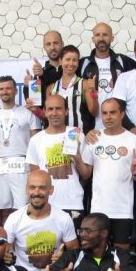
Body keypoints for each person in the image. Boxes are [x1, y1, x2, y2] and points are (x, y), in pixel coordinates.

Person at [78, 99, 136, 250]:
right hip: (98, 208)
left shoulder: (134, 140)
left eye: (112, 112)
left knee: (122, 255)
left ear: (122, 114)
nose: (108, 116)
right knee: (97, 253)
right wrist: (76, 157)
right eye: (104, 113)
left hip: (123, 209)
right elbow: (86, 174)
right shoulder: (94, 138)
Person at [3, 170, 80, 271]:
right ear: (26, 189)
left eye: (42, 188)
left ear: (51, 190)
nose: (37, 192)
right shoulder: (14, 219)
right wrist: (6, 257)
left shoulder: (64, 218)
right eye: (32, 187)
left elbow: (74, 251)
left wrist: (63, 259)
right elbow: (6, 251)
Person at [0, 75, 43, 224]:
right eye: (2, 89)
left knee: (23, 207)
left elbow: (37, 140)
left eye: (8, 88)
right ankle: (4, 240)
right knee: (1, 208)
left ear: (15, 91)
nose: (5, 92)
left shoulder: (27, 112)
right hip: (0, 165)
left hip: (21, 162)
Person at [26, 95, 88, 227]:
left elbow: (86, 175)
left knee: (73, 247)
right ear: (44, 111)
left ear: (66, 111)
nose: (54, 113)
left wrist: (77, 158)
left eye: (59, 109)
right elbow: (35, 178)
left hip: (73, 203)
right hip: (46, 205)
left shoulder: (77, 135)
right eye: (50, 109)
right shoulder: (36, 140)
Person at [78, 22, 136, 130]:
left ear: (112, 38)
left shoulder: (123, 61)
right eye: (97, 35)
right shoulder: (83, 63)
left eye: (105, 35)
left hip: (121, 128)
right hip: (93, 129)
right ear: (93, 39)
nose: (101, 38)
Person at [45, 45, 98, 133]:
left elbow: (94, 112)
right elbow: (47, 115)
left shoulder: (84, 84)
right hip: (58, 136)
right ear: (60, 61)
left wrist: (93, 92)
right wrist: (35, 110)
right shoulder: (51, 88)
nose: (71, 63)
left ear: (78, 63)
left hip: (80, 137)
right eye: (68, 59)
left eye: (74, 60)